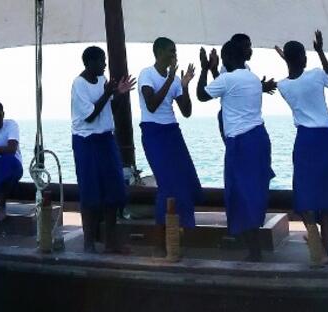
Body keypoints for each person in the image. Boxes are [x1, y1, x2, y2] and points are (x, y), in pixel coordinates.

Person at [198, 40, 276, 262]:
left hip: (241, 143)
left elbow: (202, 95)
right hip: (258, 138)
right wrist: (214, 69)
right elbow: (224, 88)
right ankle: (253, 248)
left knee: (240, 194)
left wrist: (204, 68)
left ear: (229, 59)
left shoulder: (228, 78)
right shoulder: (251, 77)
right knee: (253, 192)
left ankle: (254, 251)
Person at [275, 31, 328, 266]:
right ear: (304, 58)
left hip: (303, 140)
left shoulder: (283, 86)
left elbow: (294, 73)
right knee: (327, 196)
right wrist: (321, 51)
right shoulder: (315, 75)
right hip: (324, 138)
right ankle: (324, 251)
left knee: (305, 194)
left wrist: (289, 60)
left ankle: (317, 247)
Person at [139, 37, 201, 252]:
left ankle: (179, 233)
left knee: (186, 181)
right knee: (167, 185)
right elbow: (152, 104)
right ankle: (159, 239)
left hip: (173, 132)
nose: (174, 55)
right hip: (153, 133)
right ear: (158, 52)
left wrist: (184, 86)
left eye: (175, 51)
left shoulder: (175, 80)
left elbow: (186, 111)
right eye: (170, 51)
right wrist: (170, 79)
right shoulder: (147, 74)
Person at [72, 46, 135, 253]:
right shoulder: (79, 84)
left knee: (113, 190)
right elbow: (90, 115)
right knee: (90, 192)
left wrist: (119, 95)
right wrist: (108, 92)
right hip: (86, 141)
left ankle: (111, 242)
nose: (105, 65)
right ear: (89, 63)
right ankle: (88, 243)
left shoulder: (102, 81)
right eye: (101, 61)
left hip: (106, 139)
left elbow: (110, 110)